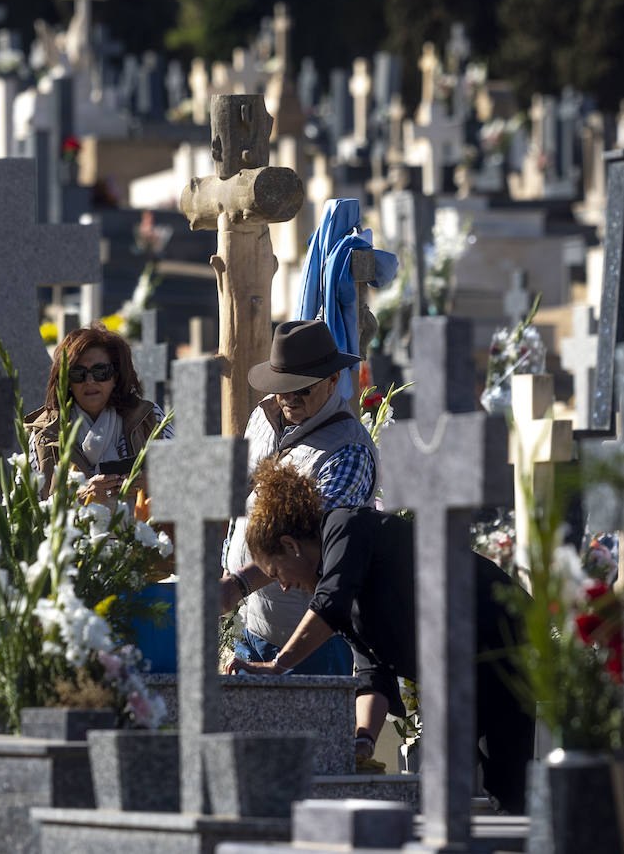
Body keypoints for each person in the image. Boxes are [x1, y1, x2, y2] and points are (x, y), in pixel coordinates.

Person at [227, 460, 534, 814]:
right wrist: (363, 741)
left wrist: (277, 666)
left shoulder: (346, 526)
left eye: (276, 571)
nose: (282, 584)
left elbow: (330, 605)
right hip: (455, 669)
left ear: (290, 544)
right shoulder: (341, 588)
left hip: (500, 637)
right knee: (442, 778)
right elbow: (373, 674)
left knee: (509, 782)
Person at [218, 320, 377, 677]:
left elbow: (315, 541)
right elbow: (241, 496)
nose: (288, 398)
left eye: (300, 389)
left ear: (333, 380)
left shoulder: (348, 450)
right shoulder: (263, 415)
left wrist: (239, 583)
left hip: (313, 640)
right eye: (281, 387)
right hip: (251, 624)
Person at [27, 322, 171, 502]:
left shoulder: (149, 418)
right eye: (78, 374)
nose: (89, 380)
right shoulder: (44, 434)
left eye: (100, 372)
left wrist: (153, 483)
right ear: (67, 381)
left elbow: (187, 478)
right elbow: (22, 514)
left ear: (115, 376)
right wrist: (79, 498)